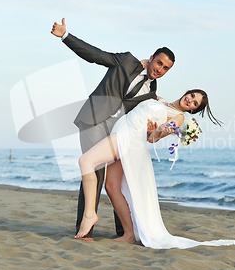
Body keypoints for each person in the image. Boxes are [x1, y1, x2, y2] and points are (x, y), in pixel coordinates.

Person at [77, 89, 235, 249]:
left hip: (128, 137)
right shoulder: (160, 99)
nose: (190, 101)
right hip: (123, 132)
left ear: (192, 110)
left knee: (86, 161)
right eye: (192, 96)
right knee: (111, 186)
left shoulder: (179, 117)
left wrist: (160, 130)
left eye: (194, 104)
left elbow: (153, 139)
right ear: (188, 92)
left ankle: (90, 214)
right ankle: (129, 234)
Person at [51, 18, 175, 238]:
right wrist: (65, 36)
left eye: (165, 69)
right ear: (152, 58)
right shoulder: (127, 61)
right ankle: (85, 227)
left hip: (118, 130)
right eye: (159, 63)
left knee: (120, 177)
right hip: (94, 119)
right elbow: (96, 55)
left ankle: (123, 232)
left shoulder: (152, 91)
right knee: (94, 171)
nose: (160, 70)